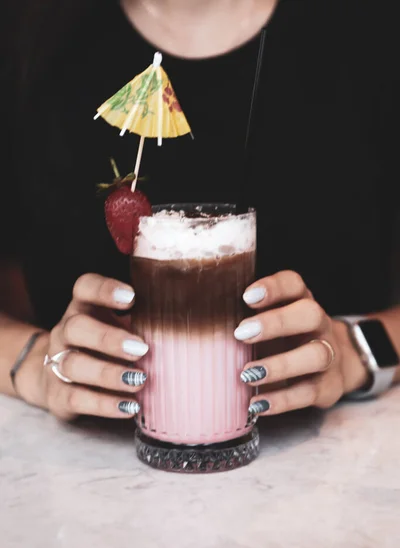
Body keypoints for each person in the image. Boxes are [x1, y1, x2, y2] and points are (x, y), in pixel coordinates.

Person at [1, 0, 399, 421]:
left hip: (334, 466)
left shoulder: (375, 24)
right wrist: (32, 361)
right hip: (72, 469)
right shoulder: (22, 28)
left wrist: (357, 349)